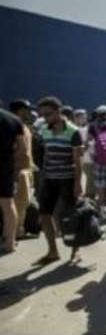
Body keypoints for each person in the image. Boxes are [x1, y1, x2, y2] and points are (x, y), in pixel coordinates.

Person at [35, 96, 84, 264]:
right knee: (44, 214)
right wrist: (42, 176)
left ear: (59, 111)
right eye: (42, 115)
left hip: (67, 179)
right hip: (49, 178)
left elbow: (78, 161)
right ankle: (52, 251)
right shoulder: (43, 129)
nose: (45, 118)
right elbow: (47, 153)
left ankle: (75, 251)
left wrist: (78, 184)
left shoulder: (73, 131)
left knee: (71, 215)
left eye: (48, 114)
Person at [0, 107, 29, 253]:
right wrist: (13, 162)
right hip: (5, 167)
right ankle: (10, 243)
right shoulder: (13, 119)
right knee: (8, 204)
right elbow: (22, 148)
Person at [8, 99, 36, 239]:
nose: (28, 113)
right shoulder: (12, 125)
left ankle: (19, 229)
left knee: (24, 201)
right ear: (19, 111)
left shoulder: (23, 126)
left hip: (27, 168)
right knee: (19, 201)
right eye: (26, 110)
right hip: (18, 170)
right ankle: (15, 232)